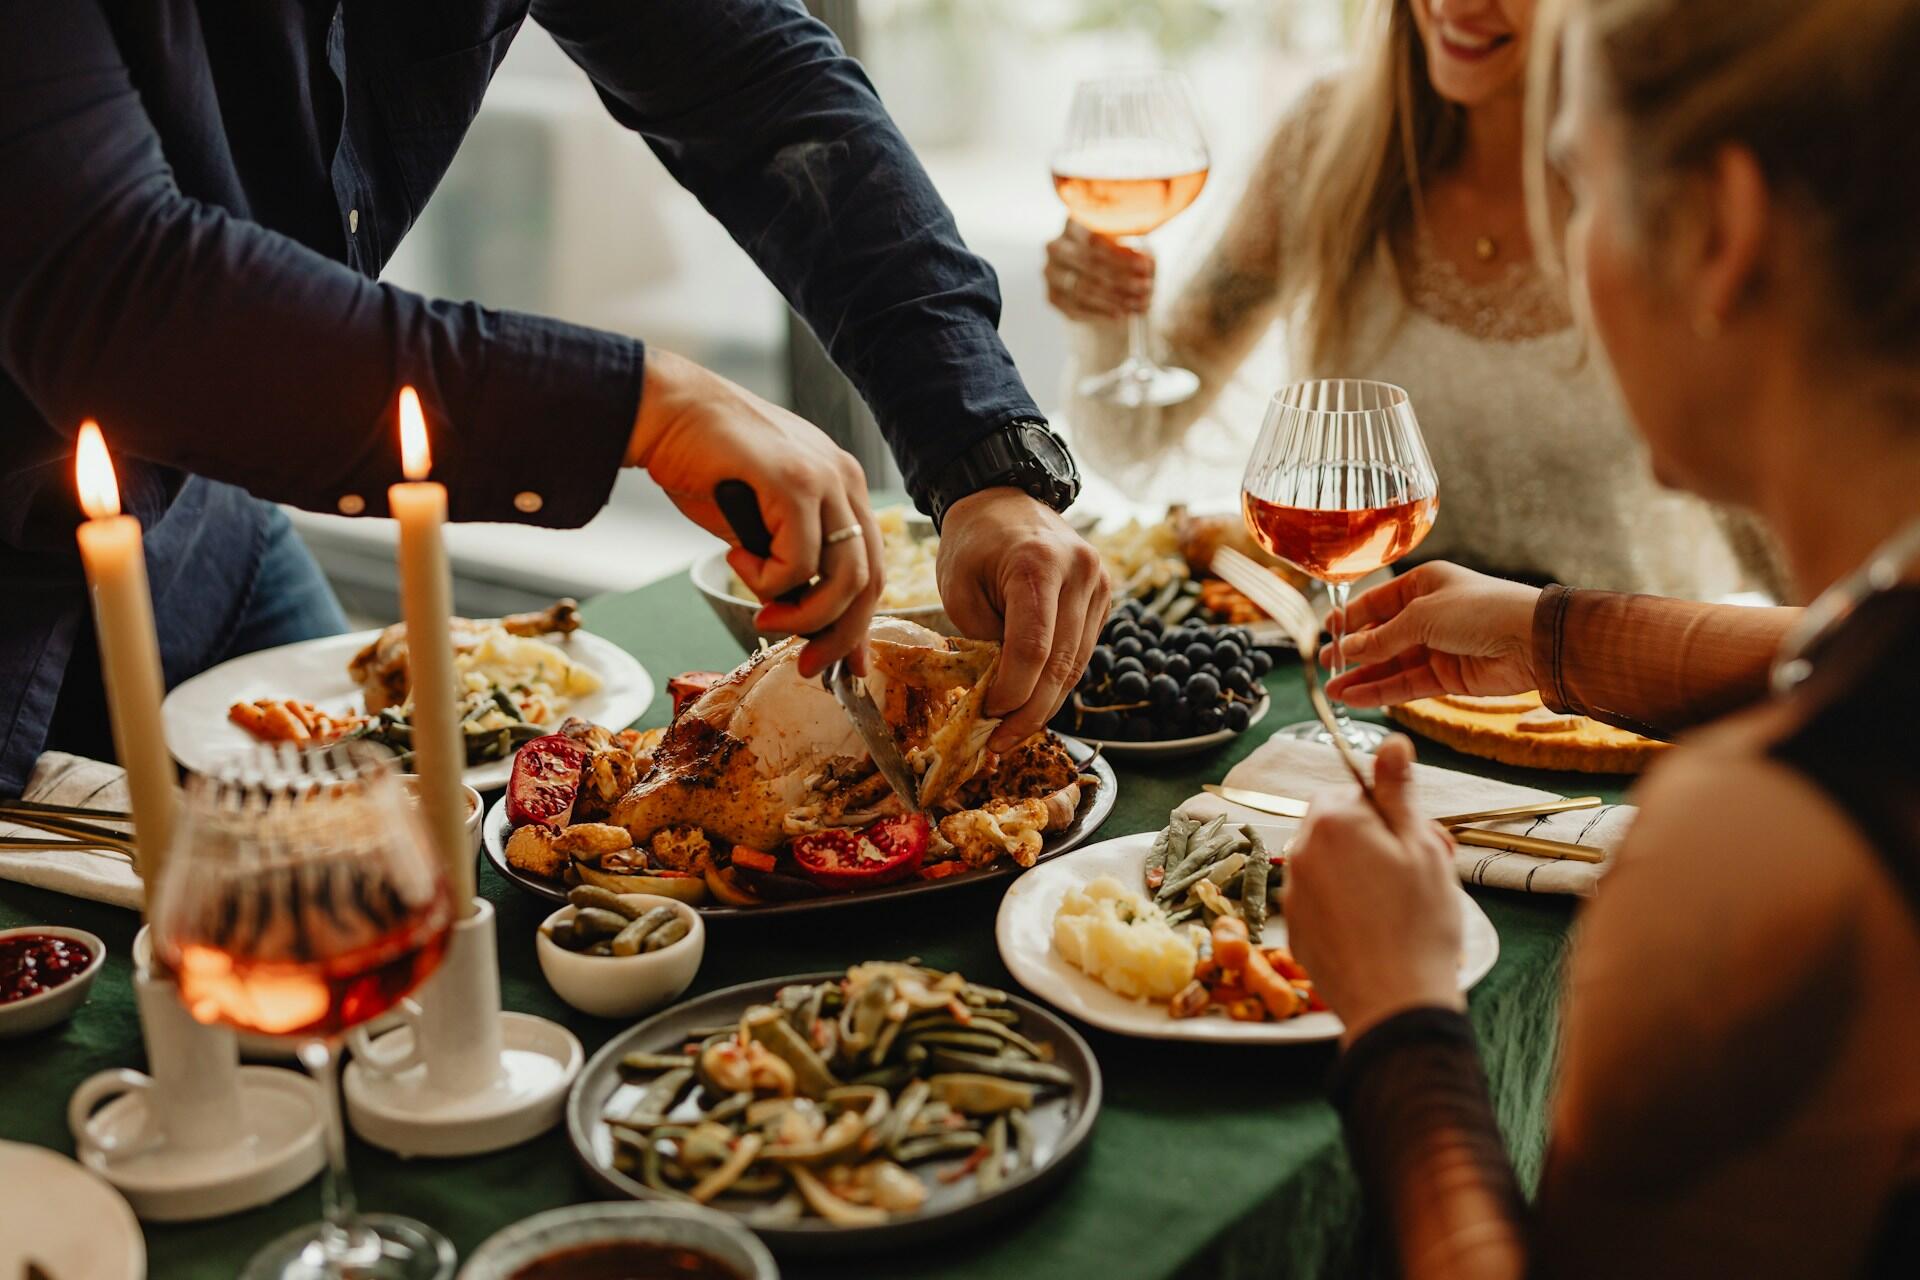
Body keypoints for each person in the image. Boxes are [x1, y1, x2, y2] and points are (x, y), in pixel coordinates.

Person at [0, 0, 1107, 795]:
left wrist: (982, 463)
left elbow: (765, 96)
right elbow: (111, 285)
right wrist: (644, 408)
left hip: (211, 536)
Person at [1279, 0, 1920, 1274]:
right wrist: (1546, 634)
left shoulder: (1746, 850)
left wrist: (1401, 1011)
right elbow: (1844, 654)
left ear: (1722, 234)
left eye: (1579, 186)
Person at [1043, 0, 1780, 600]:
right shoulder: (1325, 144)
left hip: (1615, 707)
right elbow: (1133, 441)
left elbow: (1795, 543)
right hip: (1385, 694)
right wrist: (1110, 316)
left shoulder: (1667, 175)